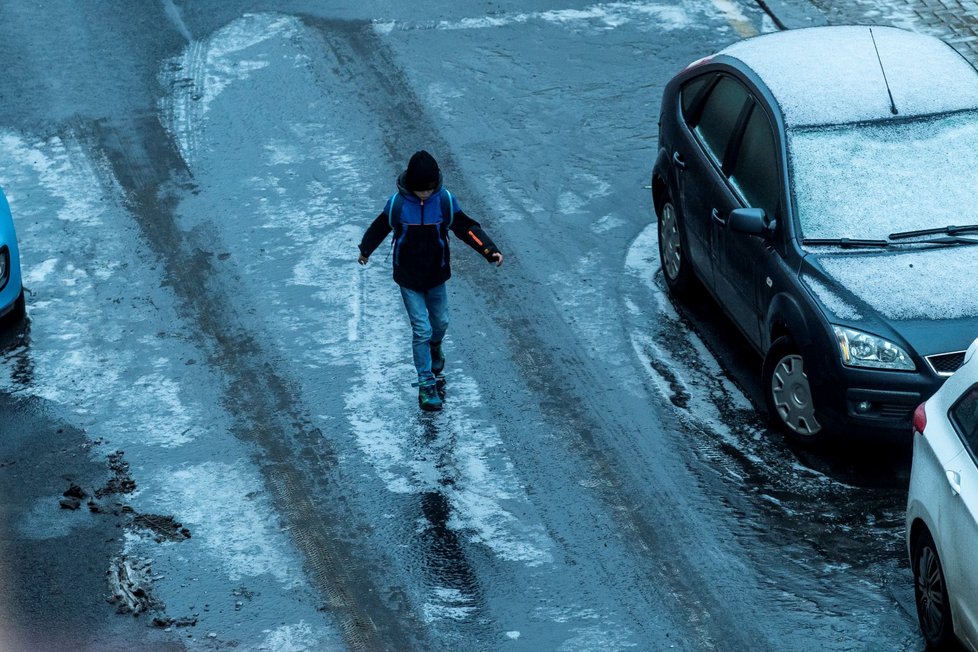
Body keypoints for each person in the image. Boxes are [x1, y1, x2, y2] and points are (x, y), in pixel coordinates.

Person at [358, 150, 504, 411]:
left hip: (436, 275)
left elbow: (466, 227)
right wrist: (365, 250)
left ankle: (435, 347)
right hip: (408, 277)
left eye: (428, 190)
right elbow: (381, 226)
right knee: (422, 330)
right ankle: (426, 384)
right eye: (419, 190)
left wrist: (488, 250)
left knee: (440, 323)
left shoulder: (445, 201)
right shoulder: (398, 205)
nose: (424, 194)